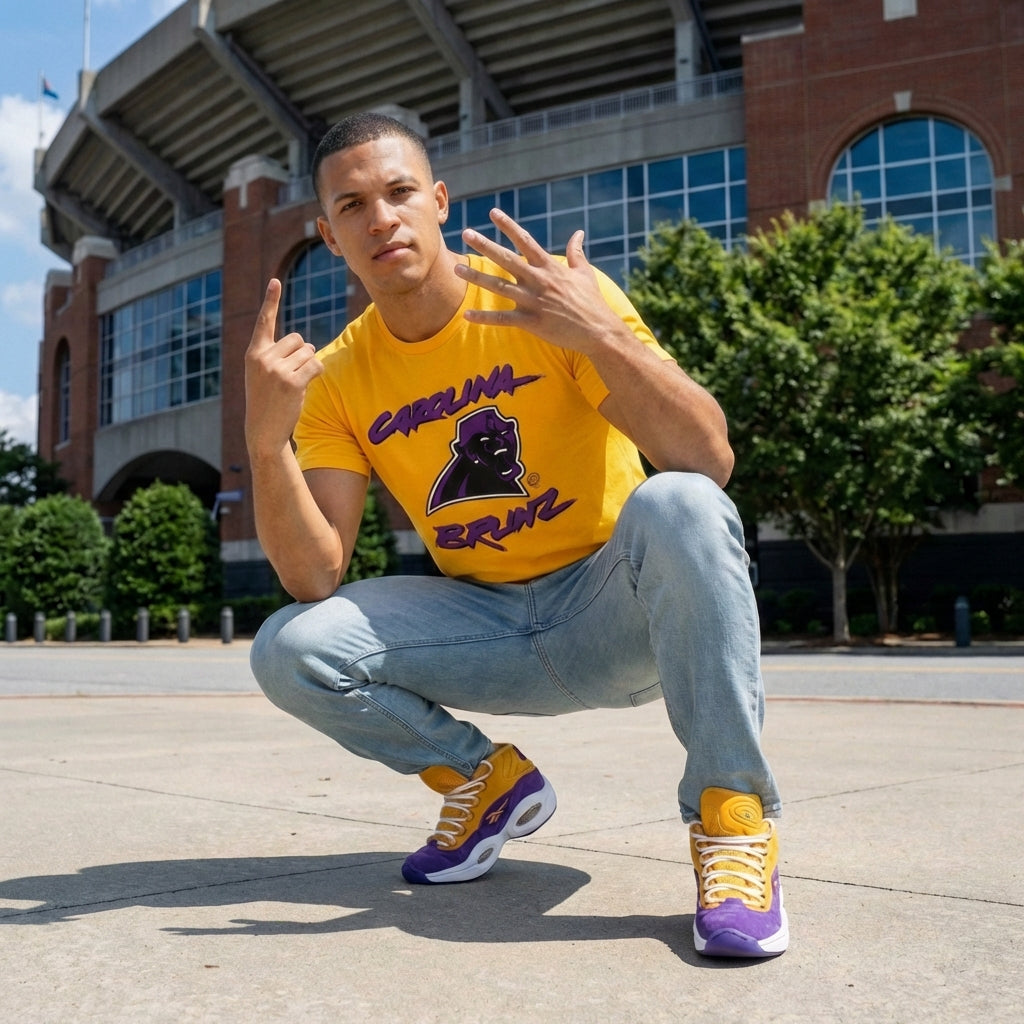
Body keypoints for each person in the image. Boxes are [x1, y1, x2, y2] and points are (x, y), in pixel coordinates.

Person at [245, 111, 788, 959]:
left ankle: (731, 821)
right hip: (489, 626)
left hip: (622, 611)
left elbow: (708, 458)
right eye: (352, 206)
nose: (381, 217)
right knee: (289, 646)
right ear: (330, 236)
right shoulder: (340, 377)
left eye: (398, 192)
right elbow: (314, 576)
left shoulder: (549, 299)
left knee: (678, 503)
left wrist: (599, 334)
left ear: (438, 199)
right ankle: (485, 781)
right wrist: (264, 441)